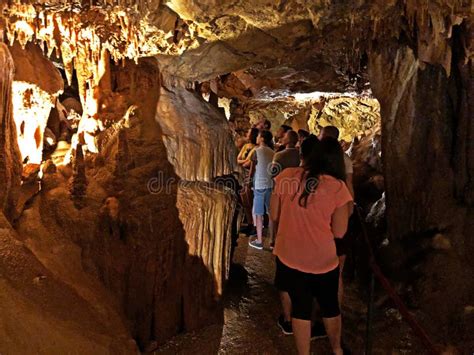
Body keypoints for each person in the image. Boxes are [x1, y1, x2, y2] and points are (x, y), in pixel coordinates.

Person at [271, 138, 352, 355]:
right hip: (322, 260)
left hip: (290, 256)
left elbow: (274, 214)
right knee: (330, 306)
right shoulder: (337, 188)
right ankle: (336, 349)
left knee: (301, 308)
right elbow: (340, 232)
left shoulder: (286, 176)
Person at [318, 126, 355, 305]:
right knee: (336, 275)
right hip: (341, 217)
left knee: (317, 271)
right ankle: (334, 313)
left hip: (325, 224)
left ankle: (319, 315)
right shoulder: (346, 160)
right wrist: (349, 210)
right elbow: (350, 184)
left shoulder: (321, 166)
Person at [248, 130, 274, 250]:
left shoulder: (256, 151)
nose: (257, 138)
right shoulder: (273, 152)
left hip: (259, 185)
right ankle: (272, 240)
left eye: (258, 136)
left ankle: (259, 241)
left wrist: (248, 181)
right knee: (270, 212)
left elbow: (252, 169)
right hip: (269, 184)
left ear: (262, 138)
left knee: (258, 214)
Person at [237, 128, 259, 235]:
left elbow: (248, 163)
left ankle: (254, 225)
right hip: (243, 175)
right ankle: (250, 223)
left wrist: (243, 162)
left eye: (249, 132)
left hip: (251, 176)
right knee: (245, 200)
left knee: (251, 201)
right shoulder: (246, 146)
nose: (247, 133)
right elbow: (239, 159)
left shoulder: (256, 148)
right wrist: (243, 161)